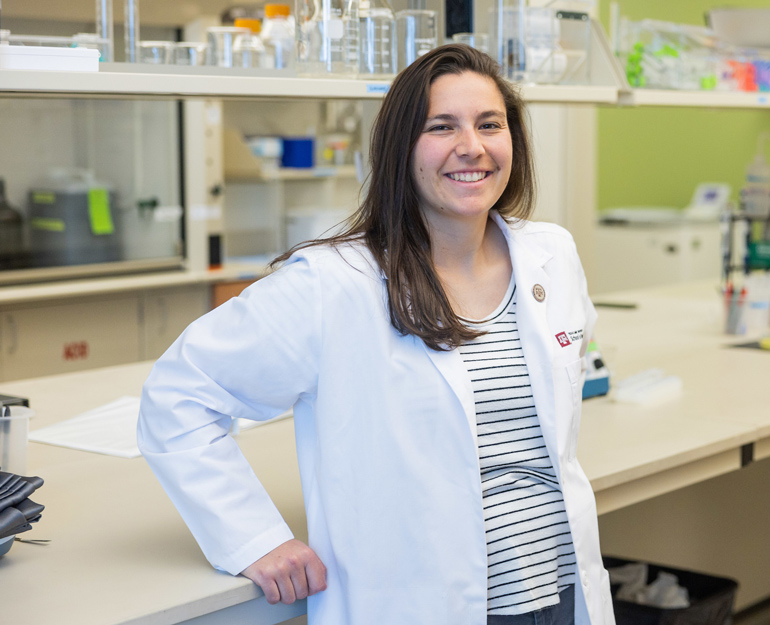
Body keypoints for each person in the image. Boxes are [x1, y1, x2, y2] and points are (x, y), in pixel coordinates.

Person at [137, 44, 615, 624]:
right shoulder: (333, 284)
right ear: (400, 148)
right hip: (426, 602)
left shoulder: (551, 255)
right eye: (442, 127)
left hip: (560, 592)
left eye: (490, 124)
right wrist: (253, 538)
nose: (473, 146)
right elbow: (179, 394)